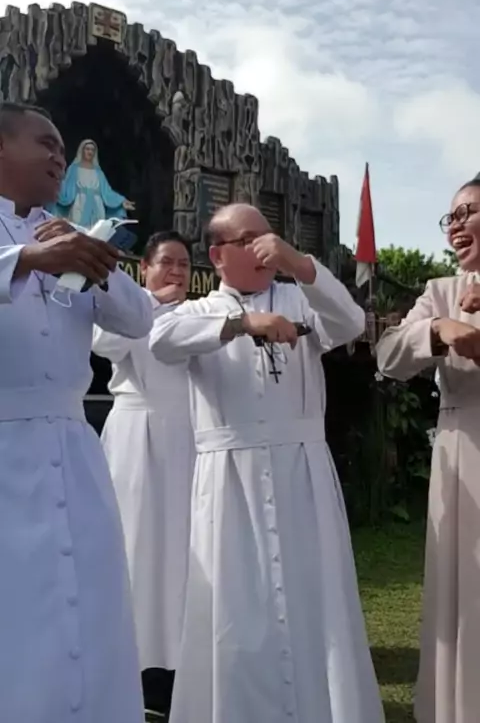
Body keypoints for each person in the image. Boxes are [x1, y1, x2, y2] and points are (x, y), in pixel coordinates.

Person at [149, 203, 384, 723]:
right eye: (248, 239)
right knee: (235, 611)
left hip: (302, 473)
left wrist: (299, 264)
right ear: (218, 255)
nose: (264, 247)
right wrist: (241, 323)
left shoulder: (300, 299)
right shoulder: (198, 311)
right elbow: (160, 341)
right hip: (228, 480)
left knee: (313, 599)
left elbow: (349, 322)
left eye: (268, 236)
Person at [0, 102, 153, 723]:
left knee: (87, 606)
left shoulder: (73, 235)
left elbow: (139, 320)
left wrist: (95, 261)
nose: (60, 157)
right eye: (46, 143)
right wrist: (26, 260)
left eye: (64, 149)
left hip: (73, 452)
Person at [376, 177, 480, 723]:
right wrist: (439, 330)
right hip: (465, 449)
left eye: (468, 212)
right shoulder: (441, 290)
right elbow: (389, 354)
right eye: (451, 217)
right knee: (466, 586)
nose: (456, 225)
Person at [92, 231, 196, 722]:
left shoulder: (199, 314)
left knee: (182, 551)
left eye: (184, 264)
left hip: (188, 439)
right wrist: (149, 305)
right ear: (145, 269)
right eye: (167, 262)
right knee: (137, 547)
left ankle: (179, 666)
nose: (176, 272)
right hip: (137, 436)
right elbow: (105, 343)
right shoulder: (130, 309)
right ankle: (132, 667)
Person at [49, 137, 135, 228]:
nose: (90, 152)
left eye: (92, 150)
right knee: (78, 230)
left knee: (97, 230)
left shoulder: (98, 172)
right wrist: (53, 186)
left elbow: (107, 192)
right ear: (82, 150)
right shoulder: (74, 169)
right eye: (87, 149)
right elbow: (66, 187)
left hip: (97, 207)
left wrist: (121, 201)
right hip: (79, 205)